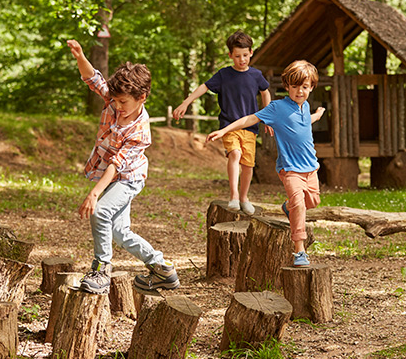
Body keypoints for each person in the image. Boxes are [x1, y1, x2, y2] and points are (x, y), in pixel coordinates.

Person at [67, 39, 179, 295]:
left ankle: (101, 270)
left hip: (128, 177)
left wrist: (95, 193)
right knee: (119, 232)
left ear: (142, 97)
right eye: (115, 101)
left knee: (101, 212)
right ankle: (163, 268)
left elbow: (117, 165)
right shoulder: (115, 99)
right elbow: (92, 78)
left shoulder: (139, 129)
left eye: (123, 103)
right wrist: (80, 56)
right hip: (114, 175)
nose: (117, 107)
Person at [207, 60, 325, 267]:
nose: (300, 91)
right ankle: (299, 250)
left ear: (311, 87)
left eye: (305, 87)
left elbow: (306, 122)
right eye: (295, 86)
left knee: (312, 201)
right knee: (299, 204)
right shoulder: (277, 107)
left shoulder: (305, 107)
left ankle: (288, 207)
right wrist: (225, 130)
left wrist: (318, 114)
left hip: (311, 167)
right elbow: (249, 119)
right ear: (287, 86)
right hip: (290, 169)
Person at [173, 30, 271, 215]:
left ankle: (244, 198)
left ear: (251, 52)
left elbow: (265, 92)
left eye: (245, 55)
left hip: (250, 127)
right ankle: (234, 196)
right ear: (230, 55)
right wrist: (186, 102)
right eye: (237, 56)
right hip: (228, 126)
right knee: (235, 154)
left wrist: (268, 117)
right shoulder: (224, 75)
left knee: (248, 164)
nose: (241, 59)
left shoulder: (256, 75)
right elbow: (205, 86)